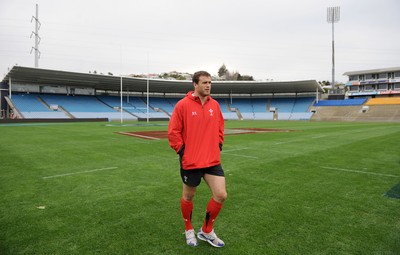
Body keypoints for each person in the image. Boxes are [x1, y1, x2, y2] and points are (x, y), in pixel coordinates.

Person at [168, 71, 227, 248]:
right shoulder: (182, 105)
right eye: (204, 82)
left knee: (221, 195)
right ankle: (188, 229)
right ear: (195, 84)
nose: (208, 85)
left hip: (212, 159)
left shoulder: (214, 105)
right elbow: (173, 132)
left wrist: (219, 144)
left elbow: (220, 127)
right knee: (188, 196)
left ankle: (206, 231)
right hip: (191, 160)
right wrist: (183, 151)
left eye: (210, 82)